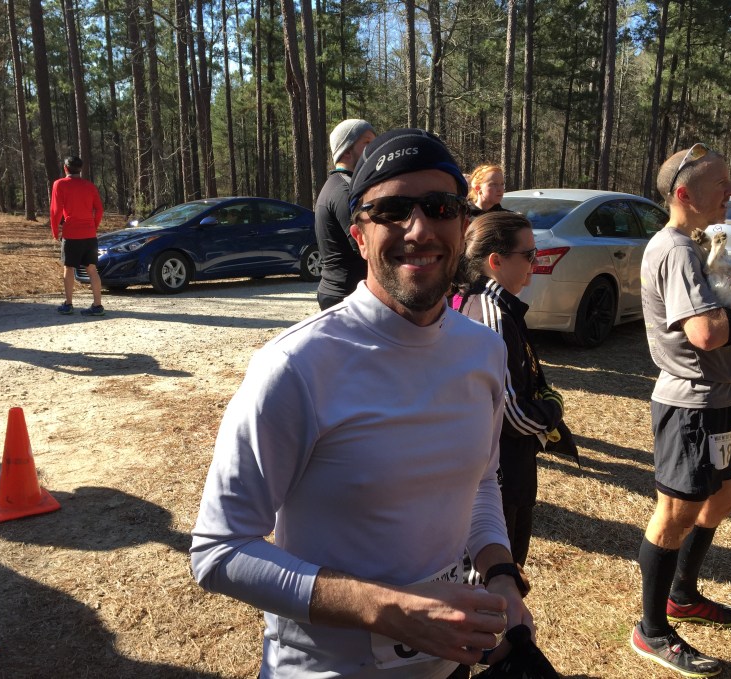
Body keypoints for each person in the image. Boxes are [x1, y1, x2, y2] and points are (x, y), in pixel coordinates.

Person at [191, 128, 534, 678]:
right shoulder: (296, 365)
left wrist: (499, 573)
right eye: (392, 210)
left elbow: (482, 485)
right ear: (358, 236)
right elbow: (218, 551)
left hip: (450, 665)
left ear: (462, 225)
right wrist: (388, 610)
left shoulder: (484, 351)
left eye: (440, 207)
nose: (419, 229)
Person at [631, 143, 731, 677]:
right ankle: (652, 630)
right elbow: (705, 332)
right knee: (675, 514)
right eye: (720, 183)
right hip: (691, 403)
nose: (730, 190)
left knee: (718, 500)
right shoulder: (675, 249)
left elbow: (719, 303)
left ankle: (681, 595)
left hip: (720, 397)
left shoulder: (695, 245)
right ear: (684, 193)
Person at [453, 211, 565, 568]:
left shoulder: (497, 304)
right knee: (499, 569)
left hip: (509, 462)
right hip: (500, 469)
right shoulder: (492, 314)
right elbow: (512, 414)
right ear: (496, 261)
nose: (536, 263)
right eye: (529, 255)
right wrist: (553, 410)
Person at [315, 119, 376, 310]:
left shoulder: (338, 184)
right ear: (347, 151)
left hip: (341, 291)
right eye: (367, 143)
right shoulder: (345, 190)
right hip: (345, 295)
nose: (373, 149)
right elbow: (364, 245)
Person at [50, 156, 105, 316]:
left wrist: (55, 230)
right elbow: (99, 209)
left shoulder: (59, 184)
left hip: (71, 233)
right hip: (89, 234)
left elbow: (55, 210)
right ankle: (97, 306)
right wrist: (93, 226)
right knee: (92, 269)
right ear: (80, 169)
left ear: (65, 168)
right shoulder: (90, 186)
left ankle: (68, 304)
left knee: (69, 268)